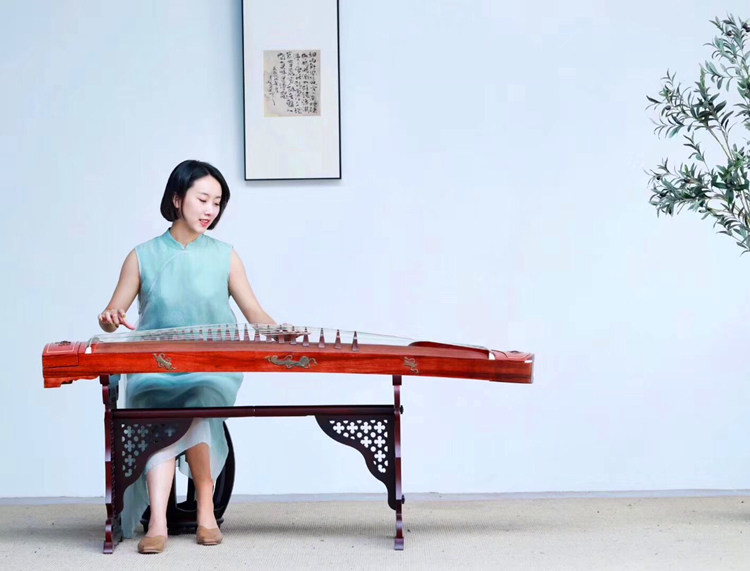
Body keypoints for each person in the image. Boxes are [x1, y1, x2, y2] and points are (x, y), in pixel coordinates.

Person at [98, 159, 275, 554]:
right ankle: (157, 521)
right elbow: (113, 316)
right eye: (203, 199)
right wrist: (109, 318)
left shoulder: (226, 256)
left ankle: (205, 512)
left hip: (210, 368)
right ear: (177, 199)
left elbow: (255, 313)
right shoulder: (142, 256)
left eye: (217, 202)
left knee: (198, 399)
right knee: (158, 407)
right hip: (154, 369)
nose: (210, 209)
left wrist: (279, 330)